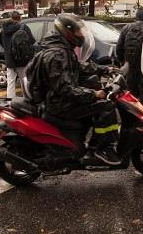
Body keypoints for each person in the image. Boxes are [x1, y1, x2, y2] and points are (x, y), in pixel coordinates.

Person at [32, 14, 121, 165]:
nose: (81, 35)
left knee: (95, 88)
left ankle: (89, 142)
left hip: (59, 99)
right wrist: (94, 94)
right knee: (105, 106)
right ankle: (100, 148)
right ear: (68, 32)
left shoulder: (62, 49)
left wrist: (103, 69)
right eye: (78, 32)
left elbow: (77, 66)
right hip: (59, 104)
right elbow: (65, 89)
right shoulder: (56, 54)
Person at [115, 8, 143, 105]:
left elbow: (119, 47)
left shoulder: (126, 28)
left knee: (131, 92)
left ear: (136, 17)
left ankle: (132, 117)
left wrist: (122, 61)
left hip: (129, 65)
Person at [0, 11, 35, 99]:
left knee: (11, 82)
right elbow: (32, 41)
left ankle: (10, 101)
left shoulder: (4, 30)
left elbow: (2, 43)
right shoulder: (23, 27)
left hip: (10, 60)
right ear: (20, 18)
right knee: (24, 80)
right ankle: (27, 100)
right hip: (22, 59)